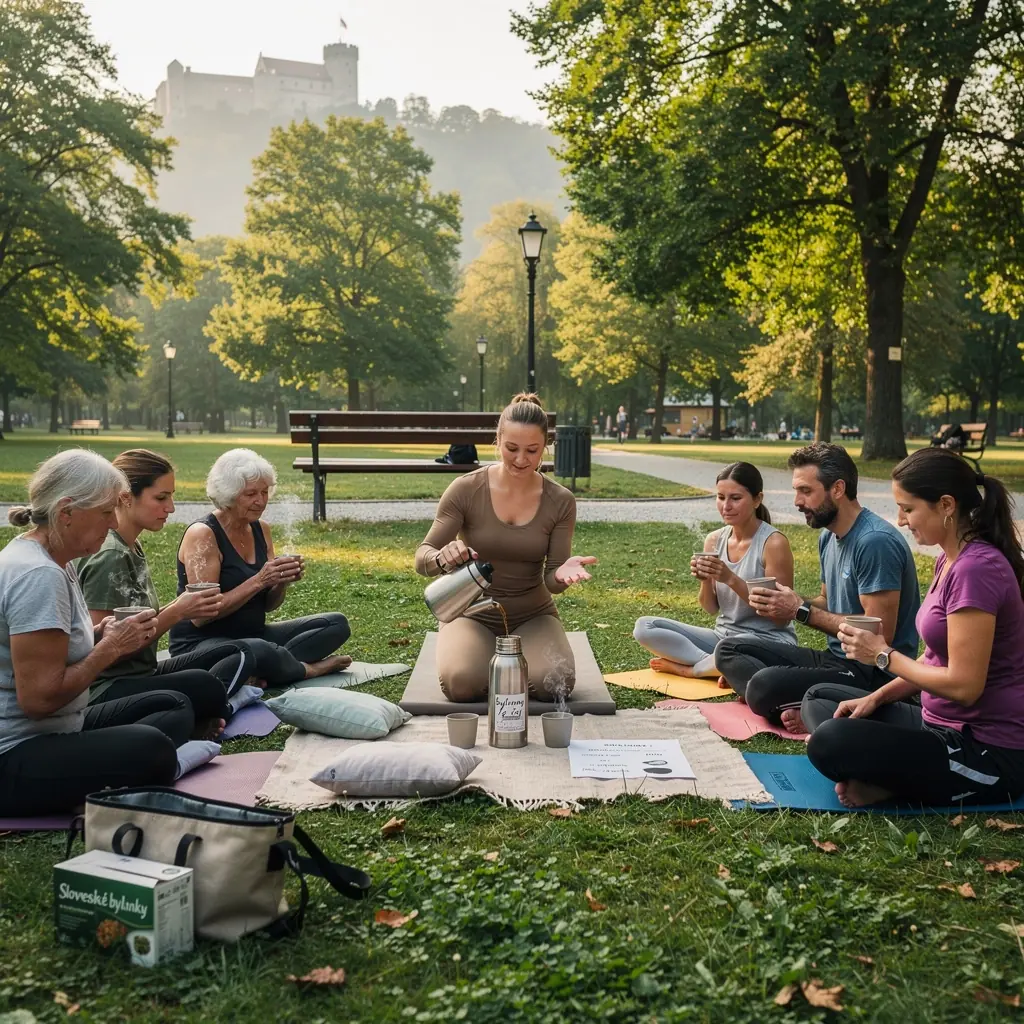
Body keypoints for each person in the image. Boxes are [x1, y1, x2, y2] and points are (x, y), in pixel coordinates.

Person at [803, 449, 1024, 807]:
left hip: (986, 749)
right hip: (934, 723)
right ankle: (889, 775)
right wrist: (876, 698)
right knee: (823, 702)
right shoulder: (949, 560)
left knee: (830, 741)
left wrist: (883, 655)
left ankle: (891, 783)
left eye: (908, 508)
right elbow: (934, 659)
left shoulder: (976, 570)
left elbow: (965, 687)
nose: (901, 520)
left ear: (946, 505)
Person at [0, 450, 193, 816]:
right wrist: (110, 648)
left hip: (60, 727)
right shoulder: (38, 575)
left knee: (169, 704)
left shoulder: (55, 560)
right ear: (66, 512)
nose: (113, 522)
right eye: (106, 512)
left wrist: (98, 634)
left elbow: (51, 647)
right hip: (14, 752)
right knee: (153, 749)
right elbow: (38, 701)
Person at [715, 442, 921, 728]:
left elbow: (878, 632)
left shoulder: (874, 542)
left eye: (806, 491)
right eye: (796, 491)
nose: (797, 501)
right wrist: (787, 602)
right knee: (728, 650)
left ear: (837, 489)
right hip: (835, 660)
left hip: (872, 673)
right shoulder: (828, 537)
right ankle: (812, 702)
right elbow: (826, 601)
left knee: (762, 685)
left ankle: (817, 705)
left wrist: (800, 611)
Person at [415, 393, 598, 701]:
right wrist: (441, 556)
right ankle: (477, 654)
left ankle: (503, 662)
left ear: (545, 447)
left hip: (533, 614)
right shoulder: (466, 489)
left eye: (532, 450)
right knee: (462, 683)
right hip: (471, 612)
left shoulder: (560, 500)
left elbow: (552, 582)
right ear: (497, 441)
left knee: (557, 683)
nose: (521, 459)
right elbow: (422, 558)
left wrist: (561, 574)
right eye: (512, 448)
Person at [75, 450, 257, 737]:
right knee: (201, 689)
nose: (170, 508)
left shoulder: (129, 545)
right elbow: (104, 654)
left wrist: (186, 605)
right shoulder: (110, 556)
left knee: (237, 651)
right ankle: (215, 709)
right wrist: (178, 611)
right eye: (161, 498)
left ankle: (212, 709)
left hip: (142, 672)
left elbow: (137, 624)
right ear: (125, 497)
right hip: (107, 687)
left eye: (171, 497)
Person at [170, 448, 351, 686]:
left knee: (336, 624)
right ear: (228, 494)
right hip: (201, 644)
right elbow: (201, 618)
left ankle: (261, 670)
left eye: (265, 492)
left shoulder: (260, 528)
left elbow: (268, 606)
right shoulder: (203, 534)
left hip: (253, 637)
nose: (261, 501)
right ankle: (306, 670)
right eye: (251, 494)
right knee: (257, 649)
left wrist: (281, 581)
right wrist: (259, 580)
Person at [634, 463, 796, 679]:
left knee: (730, 647)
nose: (726, 506)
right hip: (723, 637)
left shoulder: (773, 543)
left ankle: (692, 670)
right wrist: (704, 580)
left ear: (757, 499)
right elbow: (710, 608)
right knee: (644, 627)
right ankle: (720, 664)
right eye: (720, 497)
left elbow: (780, 619)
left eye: (735, 498)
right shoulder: (714, 540)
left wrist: (730, 578)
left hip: (769, 641)